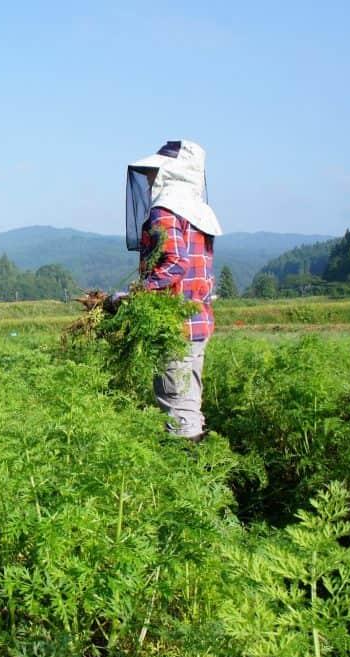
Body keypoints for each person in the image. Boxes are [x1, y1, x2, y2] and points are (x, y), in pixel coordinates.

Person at [124, 140, 222, 442]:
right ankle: (201, 469)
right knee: (189, 401)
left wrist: (137, 293)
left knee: (176, 405)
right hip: (198, 322)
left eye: (155, 173)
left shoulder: (166, 209)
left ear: (171, 174)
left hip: (174, 327)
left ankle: (188, 470)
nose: (151, 179)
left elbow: (174, 264)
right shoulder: (198, 213)